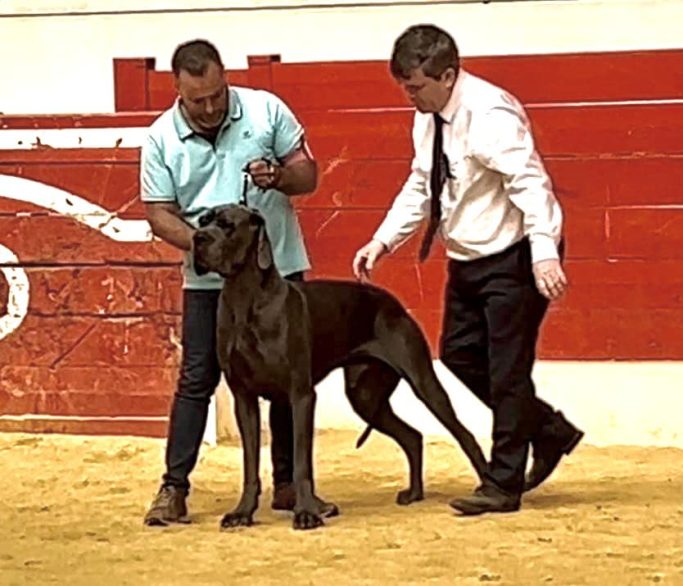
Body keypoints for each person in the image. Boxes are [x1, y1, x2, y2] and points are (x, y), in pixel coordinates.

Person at [353, 24, 583, 515]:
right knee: (458, 355)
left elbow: (529, 183)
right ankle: (547, 431)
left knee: (507, 371)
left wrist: (544, 249)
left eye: (415, 86)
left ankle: (503, 484)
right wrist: (383, 238)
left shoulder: (490, 114)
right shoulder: (429, 115)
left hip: (514, 256)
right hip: (468, 258)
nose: (408, 95)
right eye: (405, 86)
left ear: (448, 75)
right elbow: (421, 183)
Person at [140, 39, 333, 525]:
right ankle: (174, 487)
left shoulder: (266, 110)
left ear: (225, 79)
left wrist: (280, 177)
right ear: (177, 88)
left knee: (292, 377)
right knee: (197, 377)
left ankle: (289, 486)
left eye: (216, 96)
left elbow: (307, 175)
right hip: (209, 283)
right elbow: (159, 215)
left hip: (278, 270)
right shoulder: (160, 138)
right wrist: (211, 250)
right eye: (196, 100)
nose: (208, 108)